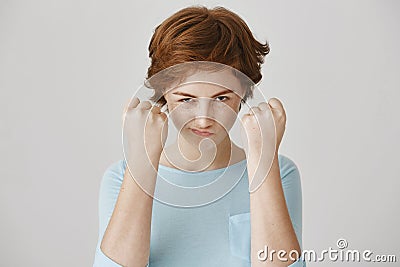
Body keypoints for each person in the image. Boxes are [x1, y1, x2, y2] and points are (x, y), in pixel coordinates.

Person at [93, 5, 306, 267]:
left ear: (243, 94)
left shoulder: (281, 172)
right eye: (187, 99)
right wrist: (142, 160)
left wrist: (263, 160)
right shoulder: (120, 177)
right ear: (165, 96)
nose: (204, 119)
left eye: (221, 98)